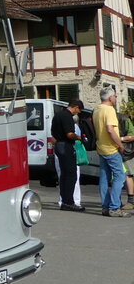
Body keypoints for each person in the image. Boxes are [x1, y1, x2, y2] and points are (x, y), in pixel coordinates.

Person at [94, 87, 134, 217]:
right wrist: (120, 144)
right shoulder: (109, 110)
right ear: (110, 98)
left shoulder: (97, 109)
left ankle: (105, 207)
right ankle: (114, 207)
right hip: (111, 148)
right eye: (115, 96)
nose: (116, 98)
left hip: (101, 147)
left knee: (104, 178)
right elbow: (110, 130)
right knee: (120, 176)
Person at [50, 99, 85, 211]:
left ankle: (64, 201)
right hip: (66, 146)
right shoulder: (67, 117)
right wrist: (79, 137)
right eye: (78, 110)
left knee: (64, 175)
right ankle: (69, 202)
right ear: (75, 107)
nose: (78, 113)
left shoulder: (57, 115)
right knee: (71, 174)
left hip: (58, 146)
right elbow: (69, 134)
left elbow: (53, 132)